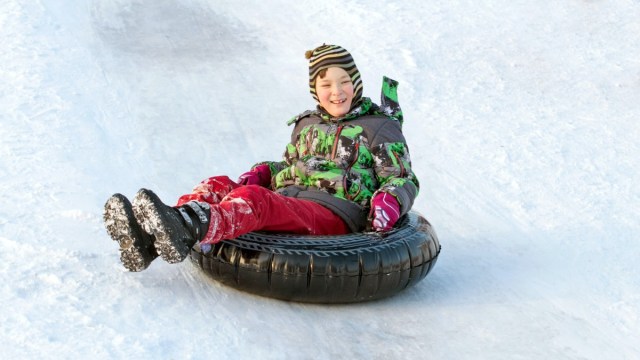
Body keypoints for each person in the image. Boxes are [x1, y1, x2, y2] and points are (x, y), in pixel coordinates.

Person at [103, 44, 419, 272]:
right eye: (326, 85)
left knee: (254, 200)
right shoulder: (307, 124)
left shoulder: (379, 127)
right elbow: (292, 164)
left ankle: (187, 225)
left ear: (356, 83)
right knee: (218, 184)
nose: (337, 92)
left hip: (335, 211)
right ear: (315, 90)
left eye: (345, 82)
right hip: (293, 199)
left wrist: (390, 201)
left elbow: (401, 177)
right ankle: (152, 236)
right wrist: (267, 171)